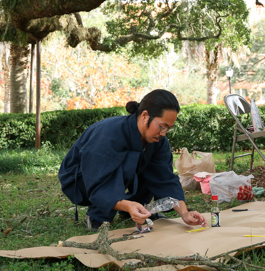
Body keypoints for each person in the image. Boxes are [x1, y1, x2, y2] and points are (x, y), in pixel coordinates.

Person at [59, 89, 207, 232]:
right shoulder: (108, 134)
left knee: (148, 164)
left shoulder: (159, 140)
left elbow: (165, 177)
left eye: (168, 128)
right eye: (162, 126)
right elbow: (97, 178)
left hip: (108, 177)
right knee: (127, 163)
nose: (163, 133)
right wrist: (126, 205)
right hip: (81, 179)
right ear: (144, 116)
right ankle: (98, 216)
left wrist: (184, 213)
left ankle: (137, 209)